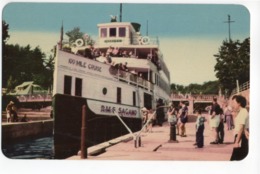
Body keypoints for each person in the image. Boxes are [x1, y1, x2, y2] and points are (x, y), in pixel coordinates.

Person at [230, 95, 249, 161]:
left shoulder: (243, 112)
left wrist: (237, 142)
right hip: (240, 137)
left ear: (239, 103)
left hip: (241, 138)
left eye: (234, 102)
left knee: (235, 160)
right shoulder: (242, 112)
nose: (232, 105)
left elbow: (241, 128)